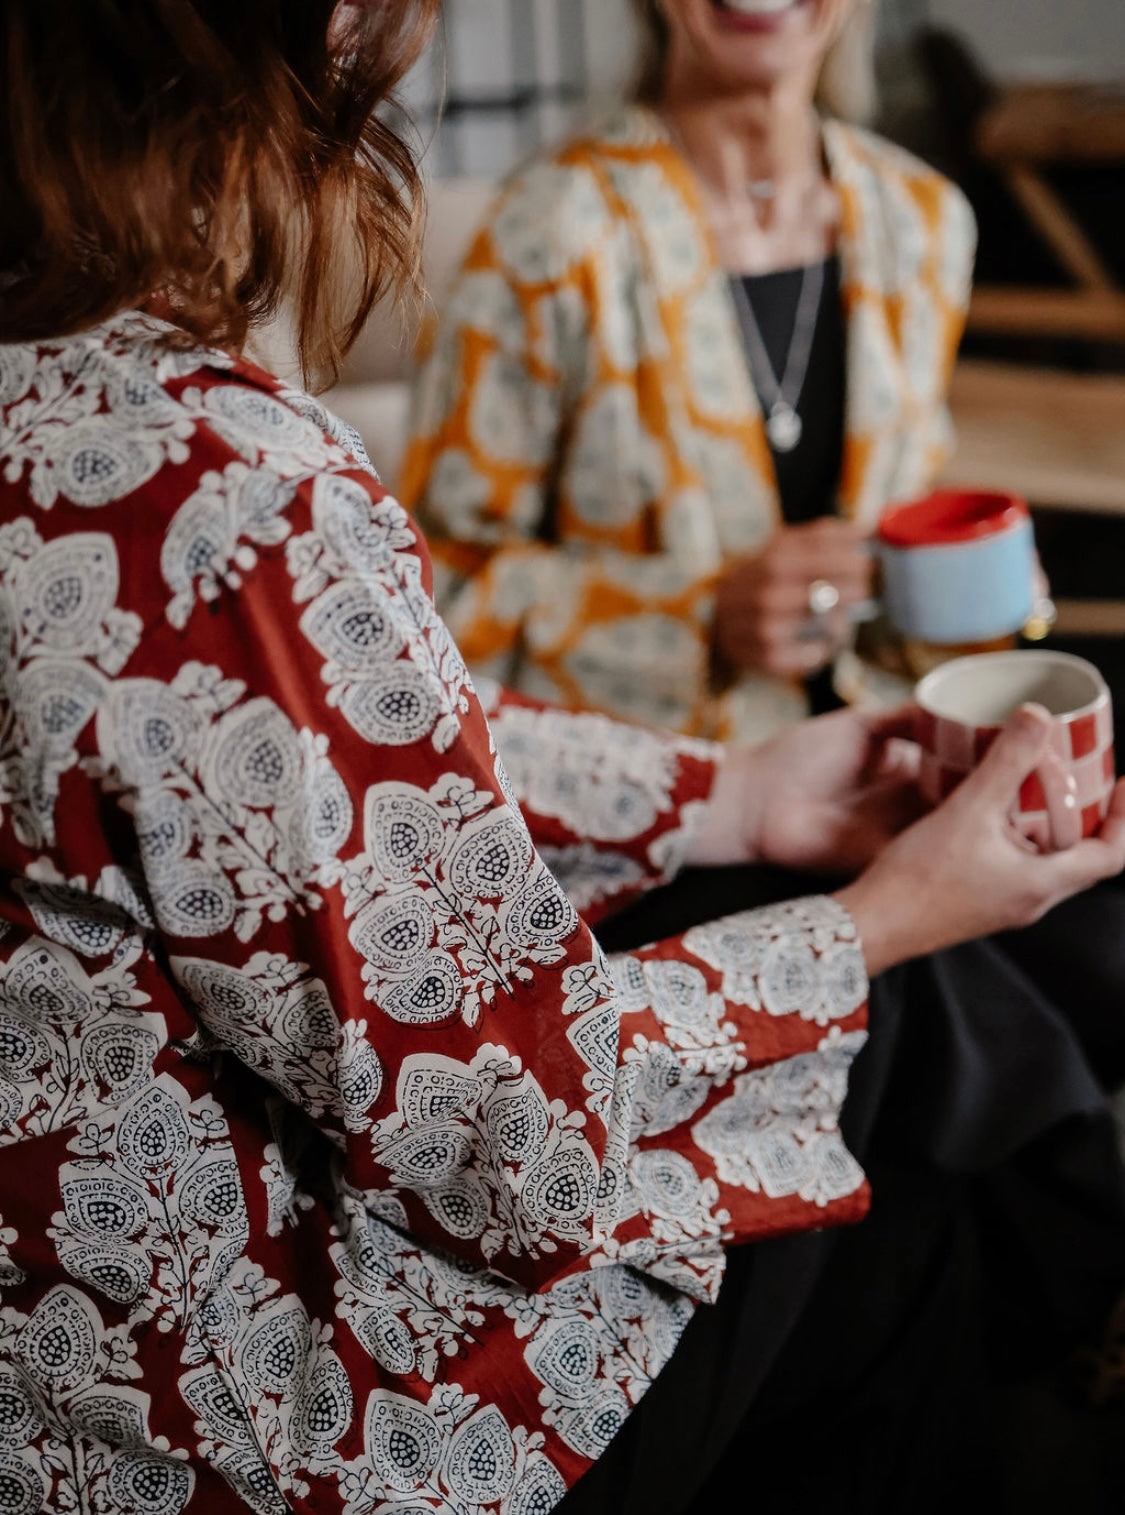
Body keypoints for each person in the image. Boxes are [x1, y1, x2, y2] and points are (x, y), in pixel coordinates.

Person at [1, 5, 1124, 1515]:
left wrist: (733, 788)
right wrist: (883, 913)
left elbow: (302, 735)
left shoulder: (918, 216)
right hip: (263, 1411)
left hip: (103, 1332)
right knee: (920, 1098)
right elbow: (511, 1137)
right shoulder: (224, 477)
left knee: (980, 988)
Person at [399, 0, 983, 743]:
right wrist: (700, 612)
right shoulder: (546, 233)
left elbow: (904, 520)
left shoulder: (923, 222)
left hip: (889, 751)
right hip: (665, 795)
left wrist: (972, 592)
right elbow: (428, 592)